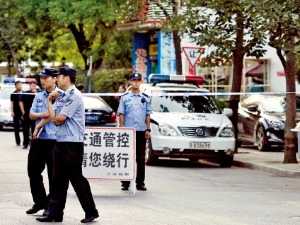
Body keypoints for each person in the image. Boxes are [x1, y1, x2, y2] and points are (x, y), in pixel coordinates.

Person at [36, 66, 99, 223]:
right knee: (57, 180)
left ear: (67, 78)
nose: (56, 79)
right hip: (60, 141)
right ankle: (55, 214)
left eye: (59, 76)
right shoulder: (62, 96)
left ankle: (91, 212)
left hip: (72, 144)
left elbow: (58, 119)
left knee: (77, 179)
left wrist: (50, 101)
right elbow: (53, 118)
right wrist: (52, 105)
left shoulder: (74, 96)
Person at [25, 68, 59, 216]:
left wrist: (42, 118)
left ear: (55, 79)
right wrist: (43, 114)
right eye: (41, 78)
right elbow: (31, 115)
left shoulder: (60, 95)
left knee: (53, 175)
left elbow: (54, 116)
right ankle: (40, 201)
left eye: (46, 78)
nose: (43, 80)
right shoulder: (39, 95)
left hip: (54, 139)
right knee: (32, 171)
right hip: (38, 139)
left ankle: (50, 206)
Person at [117, 72, 151, 191]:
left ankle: (140, 182)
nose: (135, 83)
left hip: (141, 131)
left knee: (140, 158)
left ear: (141, 82)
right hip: (128, 131)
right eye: (133, 80)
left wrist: (148, 129)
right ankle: (125, 182)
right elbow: (121, 113)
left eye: (138, 80)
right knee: (127, 156)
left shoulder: (145, 98)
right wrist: (121, 129)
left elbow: (147, 114)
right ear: (130, 82)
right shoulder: (125, 97)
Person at [20, 80, 39, 149]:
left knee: (34, 129)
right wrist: (23, 112)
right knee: (25, 129)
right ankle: (25, 143)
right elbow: (21, 102)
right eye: (31, 84)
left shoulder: (39, 93)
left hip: (35, 114)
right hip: (27, 114)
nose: (33, 86)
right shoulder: (25, 93)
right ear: (29, 85)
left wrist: (35, 93)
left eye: (34, 84)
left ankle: (33, 144)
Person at [10, 81, 23, 146]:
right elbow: (12, 103)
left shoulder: (24, 93)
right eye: (18, 85)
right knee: (16, 128)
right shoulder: (13, 94)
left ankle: (25, 141)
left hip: (23, 113)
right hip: (16, 112)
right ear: (16, 86)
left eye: (20, 85)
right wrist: (12, 111)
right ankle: (18, 142)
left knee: (25, 127)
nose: (20, 86)